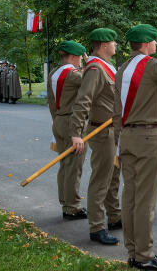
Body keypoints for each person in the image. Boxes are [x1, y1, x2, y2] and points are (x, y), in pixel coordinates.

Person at [113, 24, 157, 270]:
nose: (156, 44)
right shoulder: (149, 66)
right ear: (146, 43)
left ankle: (133, 252)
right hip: (148, 137)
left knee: (130, 197)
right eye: (154, 41)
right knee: (145, 200)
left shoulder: (122, 69)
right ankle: (144, 256)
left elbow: (117, 110)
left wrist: (118, 141)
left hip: (127, 136)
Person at [69, 28, 121, 245]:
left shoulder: (108, 67)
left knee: (113, 176)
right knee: (101, 178)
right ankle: (97, 227)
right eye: (113, 42)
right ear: (103, 45)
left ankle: (115, 216)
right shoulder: (95, 68)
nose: (116, 45)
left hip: (114, 129)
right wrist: (75, 133)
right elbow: (83, 101)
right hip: (102, 130)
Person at [48, 41, 88, 221]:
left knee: (65, 163)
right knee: (74, 165)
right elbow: (93, 80)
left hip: (58, 119)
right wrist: (92, 64)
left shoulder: (53, 73)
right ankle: (72, 207)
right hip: (72, 121)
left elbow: (50, 101)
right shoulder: (73, 75)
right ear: (73, 56)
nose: (81, 60)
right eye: (80, 57)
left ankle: (66, 201)